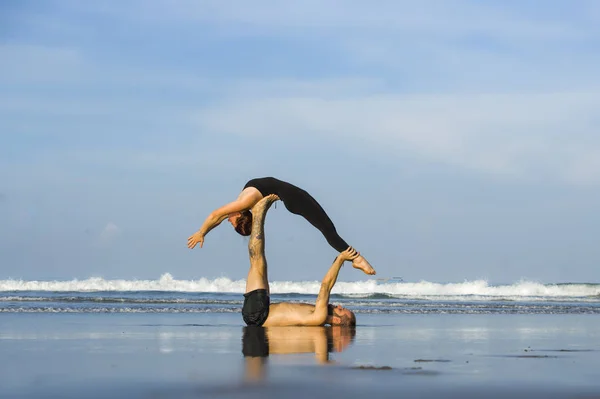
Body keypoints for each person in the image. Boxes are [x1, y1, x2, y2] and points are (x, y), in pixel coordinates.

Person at [187, 177, 375, 275]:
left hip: (293, 197)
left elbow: (216, 216)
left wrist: (202, 232)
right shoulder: (242, 204)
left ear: (240, 217)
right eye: (232, 223)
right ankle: (357, 259)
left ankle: (357, 259)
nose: (229, 221)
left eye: (232, 222)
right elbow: (217, 217)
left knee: (328, 230)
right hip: (293, 197)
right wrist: (203, 232)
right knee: (328, 230)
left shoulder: (242, 203)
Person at [240, 194, 366, 327]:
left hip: (258, 314)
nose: (338, 305)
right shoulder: (315, 316)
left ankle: (259, 211)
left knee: (257, 260)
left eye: (340, 310)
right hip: (260, 312)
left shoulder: (319, 316)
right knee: (258, 262)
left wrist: (341, 258)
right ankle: (259, 212)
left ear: (337, 320)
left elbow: (326, 286)